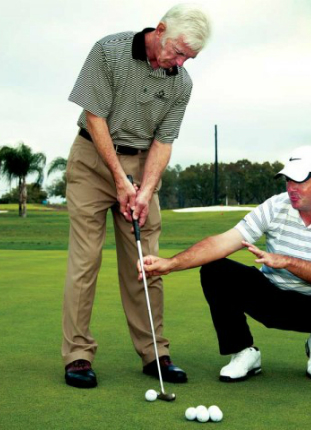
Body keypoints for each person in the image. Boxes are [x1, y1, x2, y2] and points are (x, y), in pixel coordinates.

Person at [62, 4, 211, 389]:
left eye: (188, 58)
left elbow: (164, 141)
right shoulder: (108, 52)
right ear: (159, 30)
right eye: (177, 52)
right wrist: (118, 178)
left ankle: (155, 353)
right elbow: (94, 117)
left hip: (143, 164)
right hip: (94, 160)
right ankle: (78, 354)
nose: (179, 63)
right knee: (86, 260)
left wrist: (144, 191)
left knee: (146, 264)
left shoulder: (181, 82)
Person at [140, 145, 311, 382]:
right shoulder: (276, 206)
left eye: (299, 181)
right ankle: (245, 352)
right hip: (272, 299)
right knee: (216, 270)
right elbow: (224, 242)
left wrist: (286, 261)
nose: (291, 188)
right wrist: (170, 264)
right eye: (288, 180)